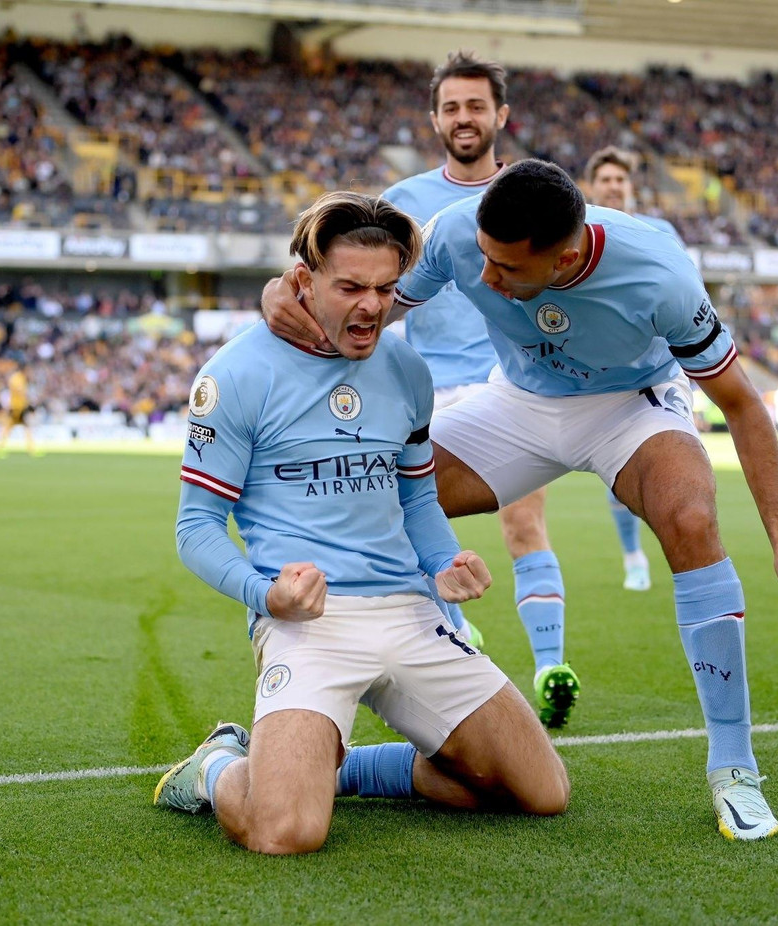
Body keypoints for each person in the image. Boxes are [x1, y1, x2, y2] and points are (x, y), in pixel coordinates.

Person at [262, 160, 778, 841]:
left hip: (630, 406)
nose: (485, 278)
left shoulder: (659, 274)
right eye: (483, 256)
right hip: (519, 402)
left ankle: (735, 768)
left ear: (564, 258)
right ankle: (330, 714)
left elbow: (741, 404)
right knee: (378, 491)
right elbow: (368, 307)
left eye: (506, 267)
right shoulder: (457, 233)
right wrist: (285, 295)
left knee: (690, 518)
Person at [158, 191, 569, 855]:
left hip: (410, 612)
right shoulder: (235, 374)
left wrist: (444, 561)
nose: (372, 306)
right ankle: (216, 767)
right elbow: (197, 528)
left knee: (539, 791)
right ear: (303, 280)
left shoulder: (406, 369)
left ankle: (334, 773)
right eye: (350, 287)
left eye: (384, 288)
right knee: (285, 831)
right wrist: (267, 595)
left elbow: (416, 500)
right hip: (308, 623)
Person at [380, 50, 577, 728]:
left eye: (476, 105)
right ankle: (458, 635)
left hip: (510, 387)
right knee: (408, 523)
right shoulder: (403, 203)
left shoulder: (535, 196)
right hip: (424, 391)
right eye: (451, 107)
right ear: (435, 119)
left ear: (501, 115)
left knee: (523, 523)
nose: (464, 117)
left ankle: (550, 664)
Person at [583, 145, 688, 593]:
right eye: (605, 180)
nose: (613, 186)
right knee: (618, 475)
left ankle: (682, 556)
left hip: (659, 369)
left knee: (677, 469)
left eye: (620, 180)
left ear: (631, 187)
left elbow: (685, 289)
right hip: (601, 371)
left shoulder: (659, 232)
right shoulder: (577, 233)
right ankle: (633, 556)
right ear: (590, 187)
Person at [0, 365, 38, 458]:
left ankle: (31, 449)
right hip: (16, 408)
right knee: (9, 428)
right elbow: (19, 391)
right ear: (24, 369)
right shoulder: (17, 378)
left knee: (25, 428)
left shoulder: (20, 378)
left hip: (20, 407)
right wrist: (28, 400)